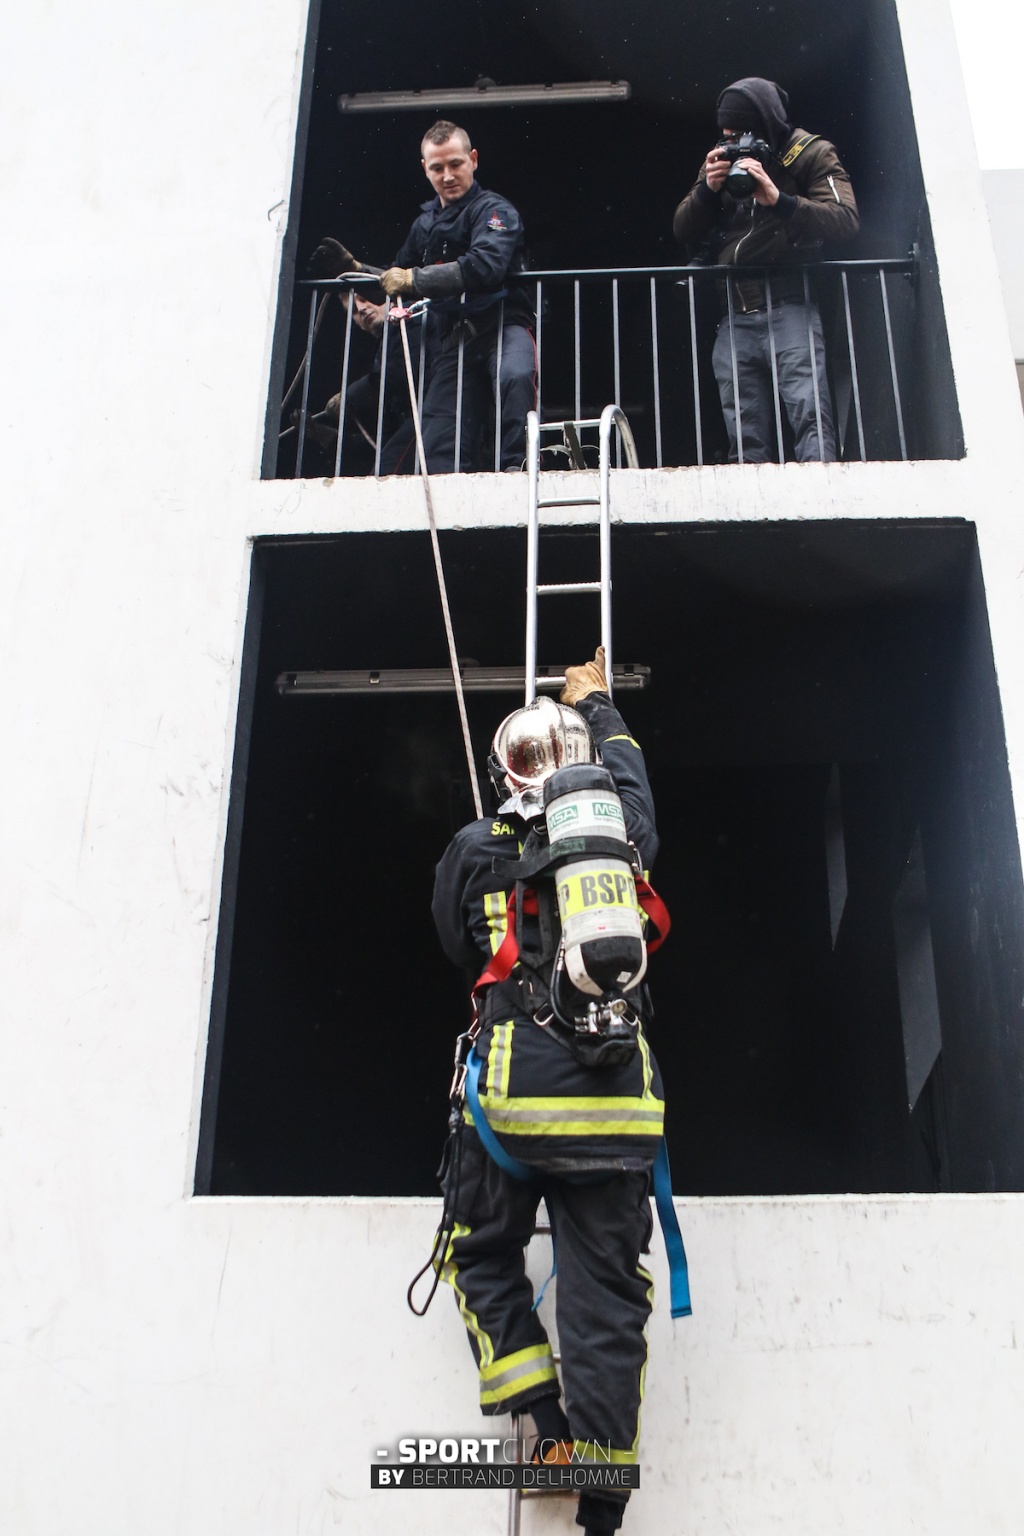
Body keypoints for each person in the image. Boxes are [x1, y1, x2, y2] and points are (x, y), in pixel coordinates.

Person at [430, 650, 666, 1536]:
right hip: (619, 1109)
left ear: (505, 771)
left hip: (512, 1105)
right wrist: (599, 703)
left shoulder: (474, 849)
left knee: (480, 1254)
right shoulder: (622, 840)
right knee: (608, 1298)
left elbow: (455, 942)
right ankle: (603, 1509)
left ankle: (550, 1428)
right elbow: (634, 789)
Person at [310, 120, 536, 473]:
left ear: (473, 160)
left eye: (456, 164)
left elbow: (484, 266)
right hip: (454, 342)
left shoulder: (495, 211)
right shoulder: (425, 224)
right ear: (425, 170)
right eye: (437, 168)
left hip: (502, 327)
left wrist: (411, 278)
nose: (447, 175)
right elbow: (396, 277)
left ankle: (518, 471)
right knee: (438, 430)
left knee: (515, 376)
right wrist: (357, 270)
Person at [673, 77, 859, 463]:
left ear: (766, 127)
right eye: (727, 137)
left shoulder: (810, 153)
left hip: (790, 305)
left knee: (810, 412)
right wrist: (708, 189)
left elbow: (845, 219)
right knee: (743, 425)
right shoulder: (721, 161)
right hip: (734, 311)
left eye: (742, 136)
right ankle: (748, 509)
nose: (735, 146)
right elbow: (682, 228)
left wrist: (780, 200)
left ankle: (820, 493)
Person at [301, 285, 420, 474]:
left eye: (364, 299)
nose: (362, 309)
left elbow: (403, 373)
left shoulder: (412, 318)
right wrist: (327, 437)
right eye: (354, 311)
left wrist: (350, 397)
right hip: (417, 426)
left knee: (384, 476)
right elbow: (384, 440)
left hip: (429, 418)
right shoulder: (385, 348)